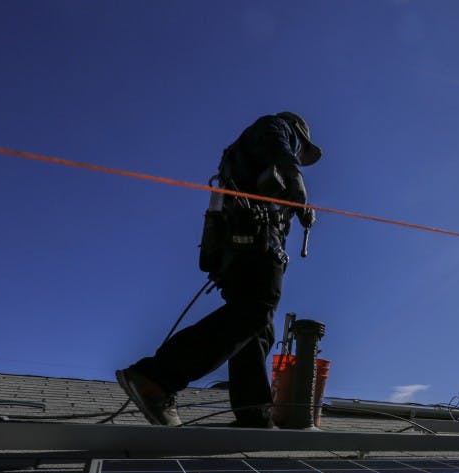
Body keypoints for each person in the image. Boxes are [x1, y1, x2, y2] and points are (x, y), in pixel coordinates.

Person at [116, 112, 322, 428]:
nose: (297, 154)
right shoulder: (276, 128)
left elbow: (269, 187)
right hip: (256, 245)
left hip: (237, 249)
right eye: (299, 150)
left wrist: (298, 212)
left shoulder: (246, 156)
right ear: (296, 132)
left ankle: (254, 413)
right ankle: (156, 378)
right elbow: (279, 150)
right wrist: (296, 182)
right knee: (254, 311)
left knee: (257, 325)